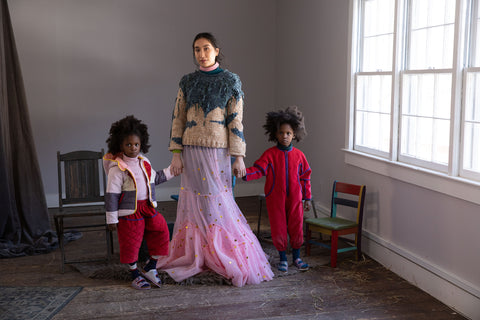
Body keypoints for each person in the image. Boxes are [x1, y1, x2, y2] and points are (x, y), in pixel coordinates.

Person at [157, 32, 274, 287]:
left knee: (217, 201)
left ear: (217, 51)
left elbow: (236, 121)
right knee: (193, 201)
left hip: (216, 152)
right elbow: (177, 118)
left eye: (206, 48)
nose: (202, 54)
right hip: (190, 149)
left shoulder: (230, 81)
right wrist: (176, 154)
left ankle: (220, 252)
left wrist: (239, 157)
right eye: (197, 49)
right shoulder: (187, 81)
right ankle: (197, 253)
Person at [103, 115, 174, 290]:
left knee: (161, 230)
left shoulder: (144, 162)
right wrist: (111, 219)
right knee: (131, 242)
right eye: (128, 145)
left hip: (148, 207)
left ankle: (150, 267)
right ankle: (134, 274)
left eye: (136, 144)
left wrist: (173, 171)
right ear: (120, 145)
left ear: (142, 143)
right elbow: (111, 195)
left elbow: (154, 178)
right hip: (129, 212)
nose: (133, 148)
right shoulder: (117, 168)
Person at [242, 106, 312, 273]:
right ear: (275, 134)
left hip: (296, 198)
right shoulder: (270, 155)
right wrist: (244, 174)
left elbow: (305, 177)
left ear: (294, 134)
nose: (285, 136)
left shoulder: (299, 156)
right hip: (275, 198)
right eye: (281, 133)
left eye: (288, 133)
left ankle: (296, 257)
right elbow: (259, 170)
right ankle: (282, 258)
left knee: (296, 226)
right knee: (278, 227)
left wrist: (307, 197)